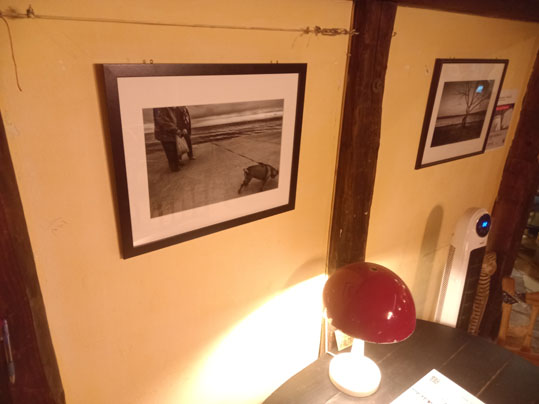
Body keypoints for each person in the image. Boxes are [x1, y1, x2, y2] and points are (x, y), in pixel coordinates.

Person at [153, 106, 195, 172]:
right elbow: (164, 122)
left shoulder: (170, 108)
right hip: (165, 133)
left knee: (174, 148)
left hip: (170, 131)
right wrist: (176, 130)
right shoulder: (161, 107)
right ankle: (174, 167)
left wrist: (177, 129)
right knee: (170, 149)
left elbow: (172, 120)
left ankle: (176, 164)